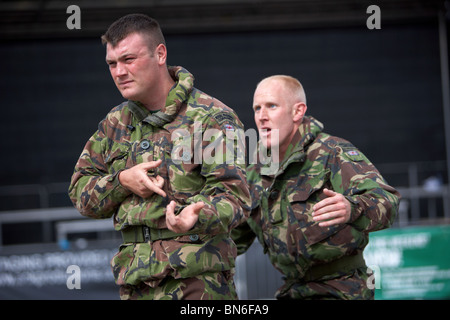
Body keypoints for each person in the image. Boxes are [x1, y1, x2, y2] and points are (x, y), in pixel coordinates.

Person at [68, 14, 251, 300]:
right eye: (112, 64)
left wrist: (195, 216)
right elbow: (80, 193)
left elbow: (236, 199)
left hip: (196, 282)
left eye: (128, 59)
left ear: (160, 54)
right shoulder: (115, 123)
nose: (119, 72)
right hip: (135, 282)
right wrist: (121, 181)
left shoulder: (211, 118)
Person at [231, 75, 401, 299]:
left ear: (297, 111)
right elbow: (233, 236)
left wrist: (353, 208)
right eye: (257, 108)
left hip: (343, 288)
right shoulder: (254, 172)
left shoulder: (331, 153)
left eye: (272, 106)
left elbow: (387, 201)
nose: (262, 117)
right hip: (293, 289)